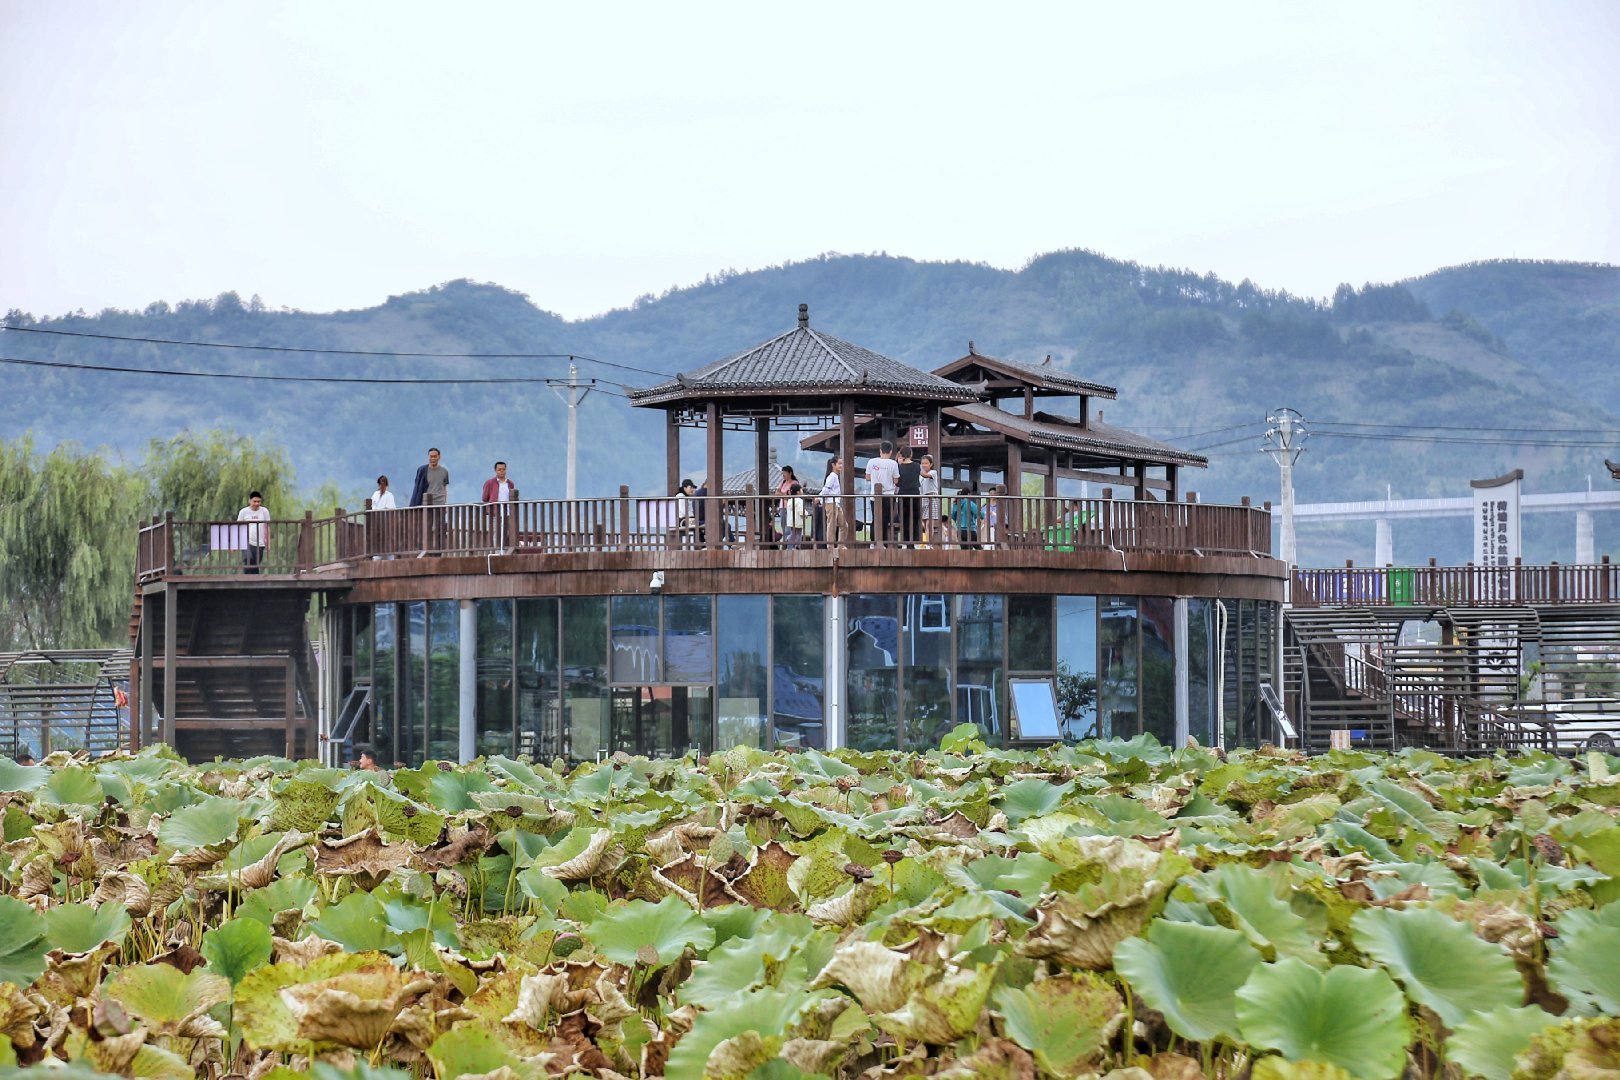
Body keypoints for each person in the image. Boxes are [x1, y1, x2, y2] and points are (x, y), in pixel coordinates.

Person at [410, 448, 449, 555]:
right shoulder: (423, 470)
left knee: (439, 528)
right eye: (431, 456)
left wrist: (445, 502)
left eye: (435, 456)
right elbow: (418, 487)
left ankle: (438, 552)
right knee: (425, 528)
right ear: (428, 457)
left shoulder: (444, 471)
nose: (432, 459)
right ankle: (424, 550)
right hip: (426, 504)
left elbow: (444, 488)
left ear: (439, 457)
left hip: (440, 504)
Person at [865, 441, 900, 546]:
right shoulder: (893, 463)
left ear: (880, 450)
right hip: (889, 495)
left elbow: (867, 477)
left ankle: (873, 542)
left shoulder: (871, 462)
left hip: (874, 496)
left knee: (875, 519)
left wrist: (876, 478)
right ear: (890, 451)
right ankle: (883, 543)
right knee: (886, 520)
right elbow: (896, 480)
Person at [481, 461, 518, 550]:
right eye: (499, 470)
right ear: (495, 471)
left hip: (508, 513)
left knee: (508, 533)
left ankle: (505, 551)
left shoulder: (510, 483)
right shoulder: (490, 483)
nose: (501, 471)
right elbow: (484, 497)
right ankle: (496, 552)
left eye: (503, 469)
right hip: (495, 513)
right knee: (496, 533)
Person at [237, 491, 270, 573]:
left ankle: (255, 580)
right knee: (248, 559)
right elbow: (237, 527)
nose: (256, 503)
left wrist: (268, 542)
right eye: (254, 501)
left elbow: (267, 526)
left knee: (256, 564)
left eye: (258, 501)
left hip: (259, 542)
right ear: (250, 501)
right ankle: (247, 581)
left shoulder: (264, 511)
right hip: (246, 541)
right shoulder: (243, 512)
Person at [896, 445, 921, 545]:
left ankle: (905, 541)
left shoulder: (899, 467)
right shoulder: (917, 466)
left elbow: (897, 482)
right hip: (915, 494)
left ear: (901, 454)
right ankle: (914, 540)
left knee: (904, 518)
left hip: (902, 494)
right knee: (915, 518)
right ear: (911, 454)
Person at [820, 458, 845, 548]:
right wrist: (820, 499)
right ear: (833, 465)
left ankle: (841, 545)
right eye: (839, 464)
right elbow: (826, 489)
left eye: (841, 464)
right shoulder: (832, 477)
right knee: (832, 525)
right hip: (831, 503)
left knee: (844, 525)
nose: (841, 466)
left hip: (836, 503)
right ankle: (830, 546)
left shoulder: (835, 476)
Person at [951, 483, 982, 549]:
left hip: (960, 531)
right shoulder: (970, 503)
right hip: (970, 529)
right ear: (968, 494)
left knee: (964, 550)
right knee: (979, 549)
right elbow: (979, 514)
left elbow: (953, 516)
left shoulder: (956, 503)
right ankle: (985, 559)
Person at [919, 455, 941, 546]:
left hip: (932, 498)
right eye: (922, 463)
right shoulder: (920, 476)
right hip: (923, 498)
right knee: (923, 522)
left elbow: (926, 475)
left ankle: (929, 543)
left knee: (929, 523)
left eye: (926, 463)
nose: (924, 465)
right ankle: (925, 542)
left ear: (931, 464)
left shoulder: (933, 472)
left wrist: (916, 470)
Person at [781, 483, 809, 548]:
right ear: (798, 492)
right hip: (798, 521)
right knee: (798, 534)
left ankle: (788, 540)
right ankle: (797, 546)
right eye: (801, 490)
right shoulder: (799, 501)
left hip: (791, 521)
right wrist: (806, 514)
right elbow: (801, 510)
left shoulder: (790, 500)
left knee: (793, 533)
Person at [675, 478, 698, 546]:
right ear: (685, 487)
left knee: (698, 523)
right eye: (690, 487)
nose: (692, 490)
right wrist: (693, 517)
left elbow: (690, 511)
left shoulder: (687, 497)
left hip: (687, 519)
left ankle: (699, 543)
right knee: (697, 524)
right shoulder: (680, 496)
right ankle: (699, 544)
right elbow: (684, 511)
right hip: (681, 520)